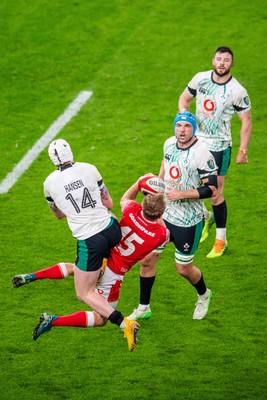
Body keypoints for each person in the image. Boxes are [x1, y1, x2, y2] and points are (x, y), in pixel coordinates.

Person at [12, 178, 169, 351]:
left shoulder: (132, 210)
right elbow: (161, 230)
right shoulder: (161, 234)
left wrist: (140, 183)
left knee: (77, 270)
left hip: (100, 254)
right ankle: (53, 320)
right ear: (161, 213)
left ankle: (33, 276)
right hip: (113, 273)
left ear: (143, 203)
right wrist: (159, 207)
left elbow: (125, 198)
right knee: (101, 318)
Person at [128, 111, 218, 322]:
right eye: (179, 126)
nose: (182, 130)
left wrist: (181, 194)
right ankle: (143, 307)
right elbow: (166, 163)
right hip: (164, 215)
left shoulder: (202, 153)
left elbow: (211, 189)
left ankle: (204, 295)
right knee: (147, 259)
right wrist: (158, 184)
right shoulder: (169, 144)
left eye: (187, 126)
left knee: (183, 268)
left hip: (188, 220)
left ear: (193, 129)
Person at [178, 46, 252, 258]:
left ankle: (221, 240)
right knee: (190, 183)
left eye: (226, 60)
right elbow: (184, 99)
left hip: (220, 145)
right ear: (213, 60)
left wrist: (242, 150)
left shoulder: (237, 91)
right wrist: (186, 119)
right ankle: (206, 217)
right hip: (198, 142)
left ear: (232, 64)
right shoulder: (200, 79)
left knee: (215, 191)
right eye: (219, 59)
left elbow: (246, 121)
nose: (222, 63)